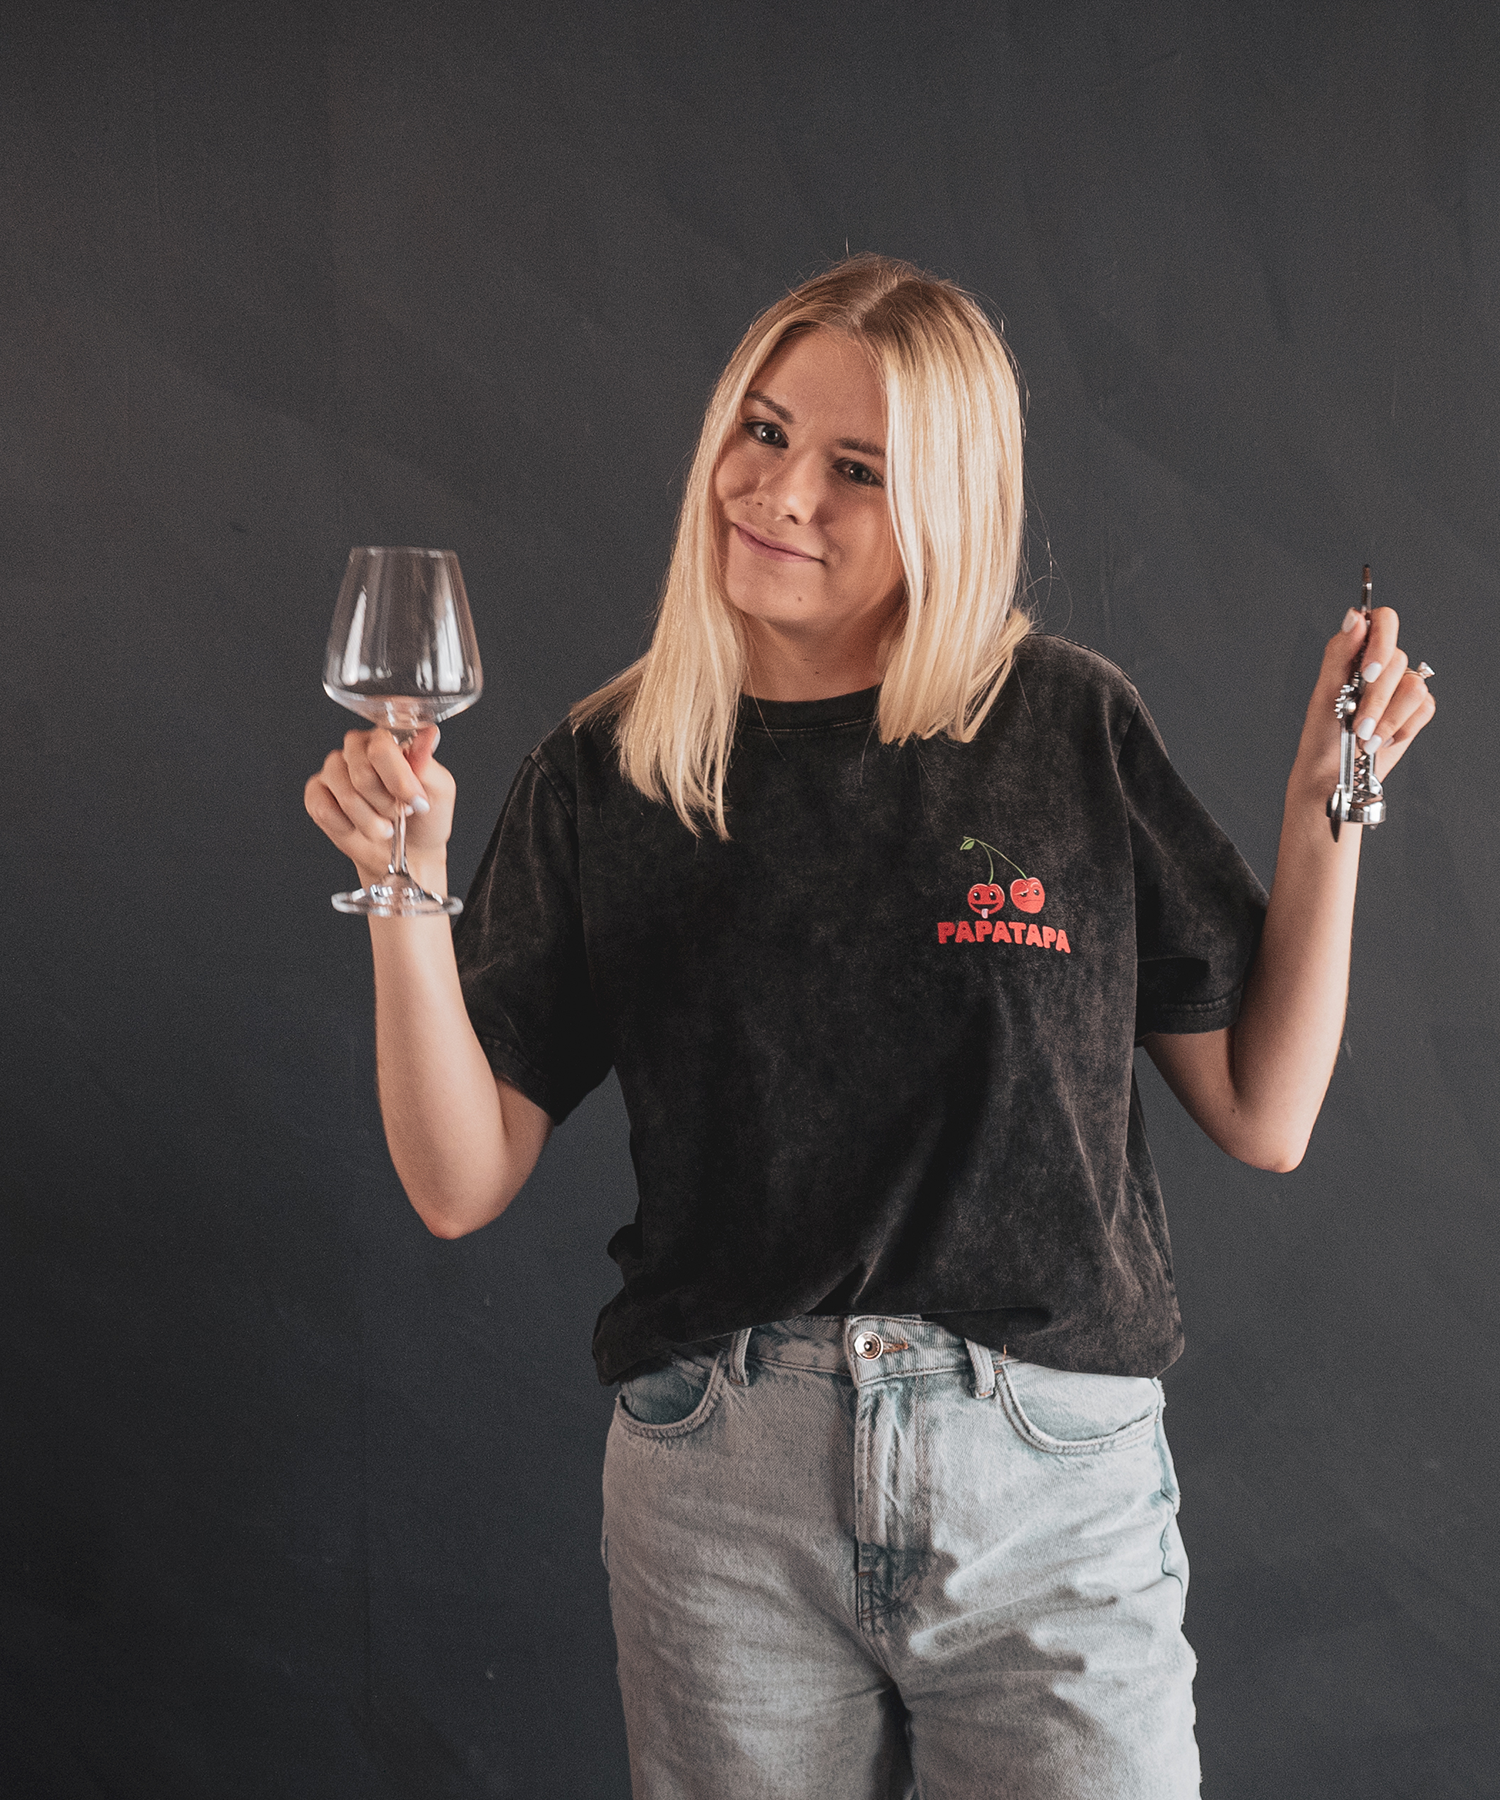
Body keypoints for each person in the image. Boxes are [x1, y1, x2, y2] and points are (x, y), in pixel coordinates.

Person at [304, 255, 1435, 1799]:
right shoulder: (611, 767)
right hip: (723, 1491)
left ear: (948, 507)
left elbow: (1266, 1109)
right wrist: (406, 893)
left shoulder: (1064, 728)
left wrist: (1327, 808)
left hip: (1051, 1492)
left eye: (857, 470)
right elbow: (455, 1178)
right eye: (760, 432)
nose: (778, 493)